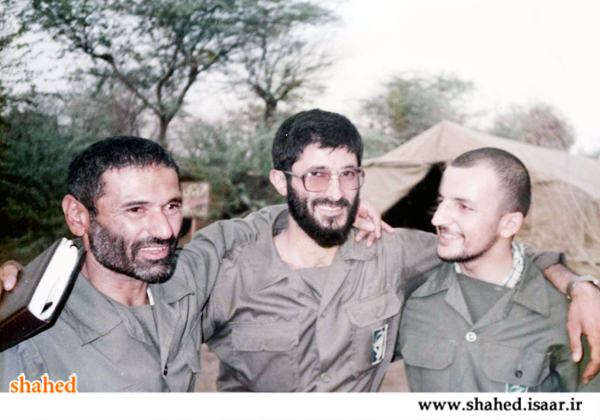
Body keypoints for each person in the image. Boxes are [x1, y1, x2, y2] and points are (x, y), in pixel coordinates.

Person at [201, 110, 599, 391]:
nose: (335, 192)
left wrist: (580, 285)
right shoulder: (229, 274)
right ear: (280, 181)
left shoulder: (393, 253)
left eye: (348, 175)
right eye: (316, 176)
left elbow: (498, 249)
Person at [397, 148, 595, 391]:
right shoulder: (412, 293)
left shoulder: (569, 315)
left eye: (464, 207)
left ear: (509, 224)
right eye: (441, 202)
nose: (437, 219)